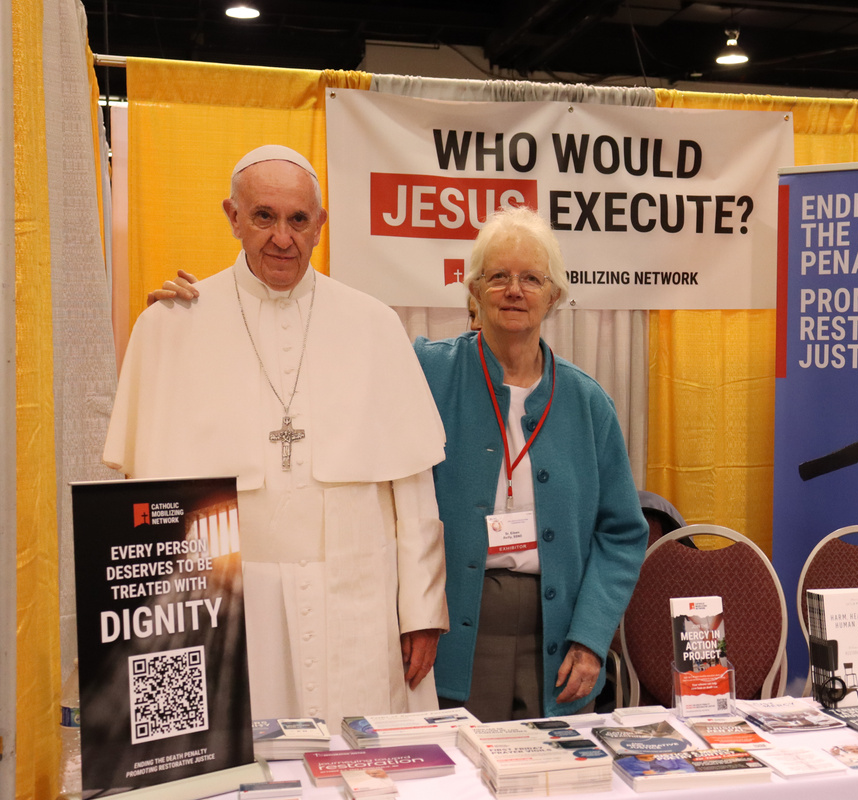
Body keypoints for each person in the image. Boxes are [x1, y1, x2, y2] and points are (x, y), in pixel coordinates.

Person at [105, 145, 449, 723]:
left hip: (355, 598)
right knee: (229, 766)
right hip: (228, 599)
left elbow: (412, 487)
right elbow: (149, 503)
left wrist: (420, 609)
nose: (282, 237)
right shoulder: (176, 323)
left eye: (298, 220)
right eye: (263, 216)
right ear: (233, 217)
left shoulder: (373, 324)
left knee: (361, 767)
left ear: (320, 225)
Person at [414, 207, 648, 721]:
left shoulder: (589, 404)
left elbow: (623, 534)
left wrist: (590, 637)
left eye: (531, 279)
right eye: (498, 276)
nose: (514, 290)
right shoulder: (426, 373)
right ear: (473, 290)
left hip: (558, 640)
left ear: (554, 296)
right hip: (455, 638)